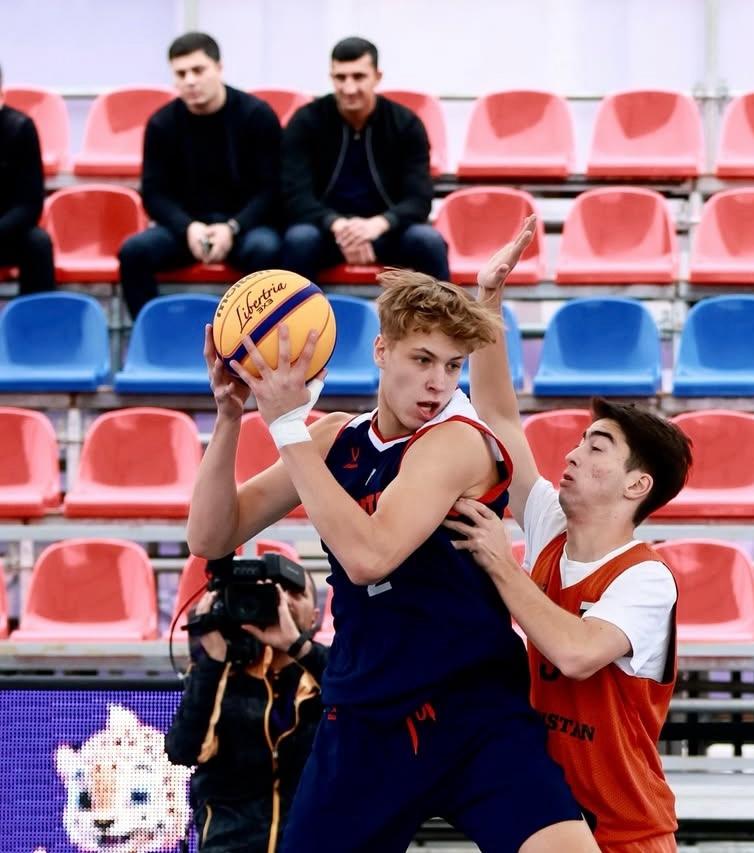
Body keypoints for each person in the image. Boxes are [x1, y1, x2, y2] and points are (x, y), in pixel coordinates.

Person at [185, 270, 598, 853]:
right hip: (367, 716)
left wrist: (286, 426)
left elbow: (369, 557)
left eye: (452, 366)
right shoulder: (332, 439)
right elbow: (210, 535)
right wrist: (230, 416)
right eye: (422, 359)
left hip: (472, 712)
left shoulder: (458, 441)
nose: (437, 382)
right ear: (381, 351)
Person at [442, 216, 695, 853]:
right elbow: (499, 418)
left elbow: (576, 653)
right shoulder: (553, 524)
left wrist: (502, 566)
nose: (575, 452)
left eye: (598, 446)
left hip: (627, 834)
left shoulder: (647, 578)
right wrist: (488, 302)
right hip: (546, 825)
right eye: (581, 440)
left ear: (637, 485)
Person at [117, 31, 282, 319]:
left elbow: (271, 189)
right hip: (187, 229)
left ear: (219, 68)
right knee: (133, 252)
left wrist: (233, 227)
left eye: (198, 70)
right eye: (181, 73)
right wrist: (188, 227)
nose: (190, 80)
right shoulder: (162, 124)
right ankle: (154, 335)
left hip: (244, 227)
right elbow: (154, 193)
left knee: (265, 249)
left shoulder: (256, 115)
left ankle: (252, 337)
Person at [164, 571, 327, 853]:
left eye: (295, 592)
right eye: (273, 591)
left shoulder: (331, 670)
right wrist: (212, 661)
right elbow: (182, 751)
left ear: (314, 617)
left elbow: (366, 702)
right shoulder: (221, 671)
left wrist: (298, 647)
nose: (282, 600)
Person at [279, 36, 449, 283]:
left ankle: (445, 311)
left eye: (358, 77)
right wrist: (337, 225)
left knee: (428, 241)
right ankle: (295, 310)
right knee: (299, 240)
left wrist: (378, 224)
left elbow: (418, 199)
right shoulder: (306, 122)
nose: (349, 88)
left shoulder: (405, 124)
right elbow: (296, 196)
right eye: (341, 77)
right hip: (327, 231)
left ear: (377, 77)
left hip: (386, 231)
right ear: (331, 77)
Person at [0, 62, 55, 296]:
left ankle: (36, 317)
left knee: (37, 242)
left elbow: (29, 204)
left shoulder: (20, 128)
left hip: (6, 230)